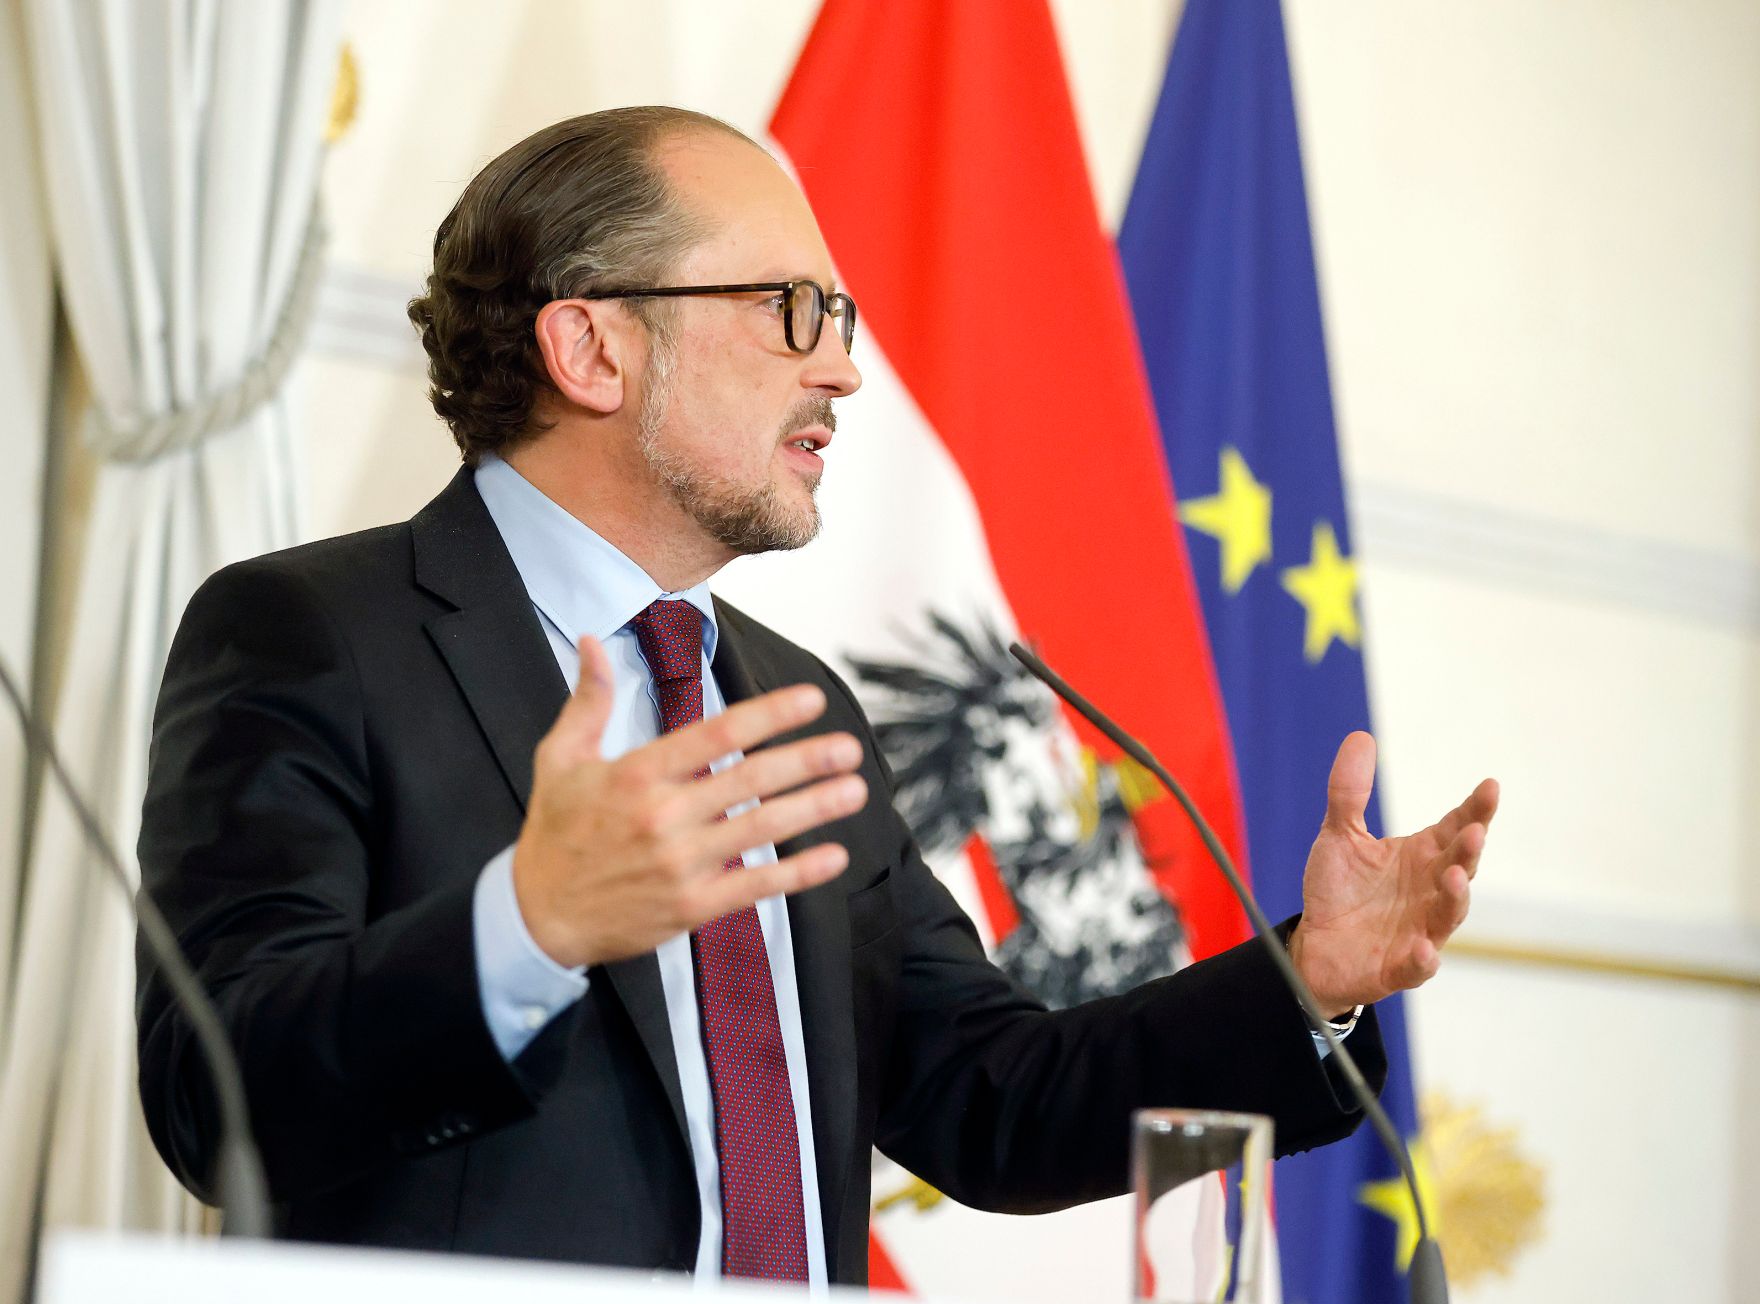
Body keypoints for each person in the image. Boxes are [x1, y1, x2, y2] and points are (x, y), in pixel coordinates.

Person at [135, 106, 1498, 1289]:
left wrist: (1304, 985)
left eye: (840, 318)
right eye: (794, 309)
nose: (842, 367)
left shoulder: (796, 702)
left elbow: (990, 1103)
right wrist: (528, 928)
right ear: (592, 347)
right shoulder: (315, 635)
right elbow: (218, 1102)